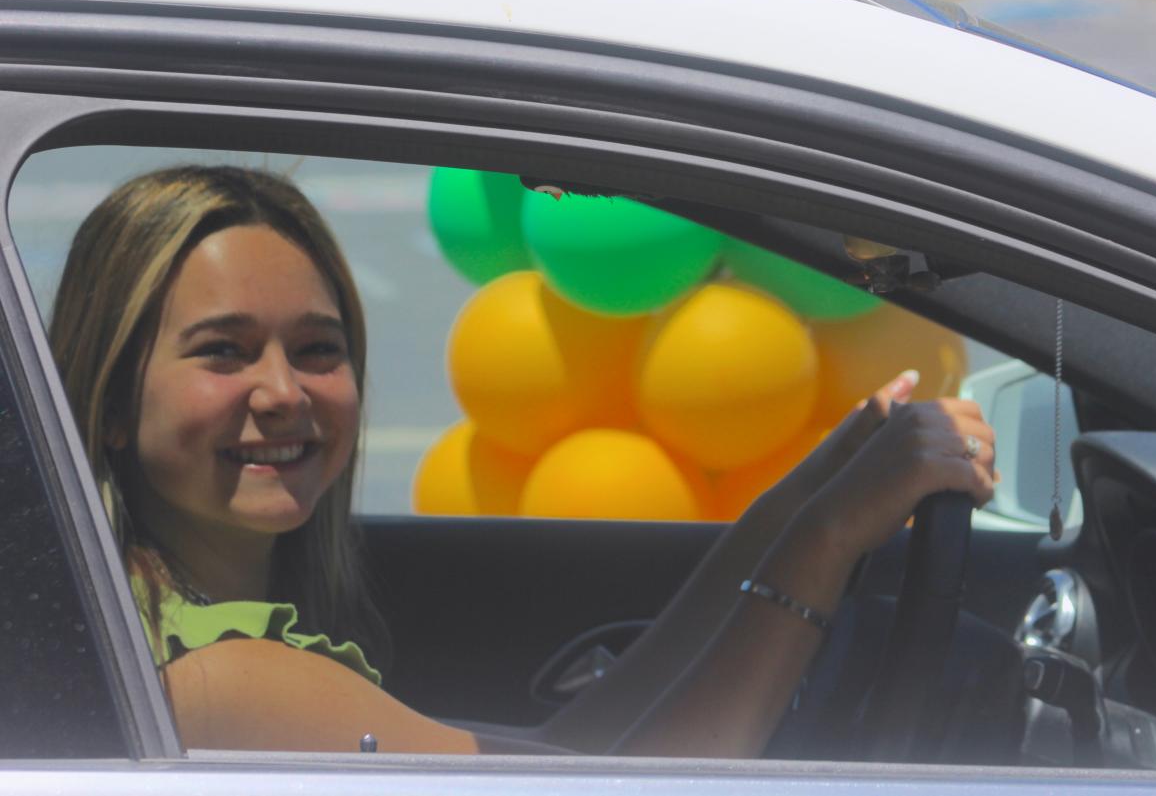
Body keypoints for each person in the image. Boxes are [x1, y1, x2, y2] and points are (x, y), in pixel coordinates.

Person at [50, 164, 997, 757]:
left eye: (317, 348)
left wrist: (802, 496)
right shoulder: (222, 677)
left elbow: (566, 755)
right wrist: (826, 539)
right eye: (222, 350)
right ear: (112, 395)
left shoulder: (177, 627)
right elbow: (628, 788)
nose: (284, 392)